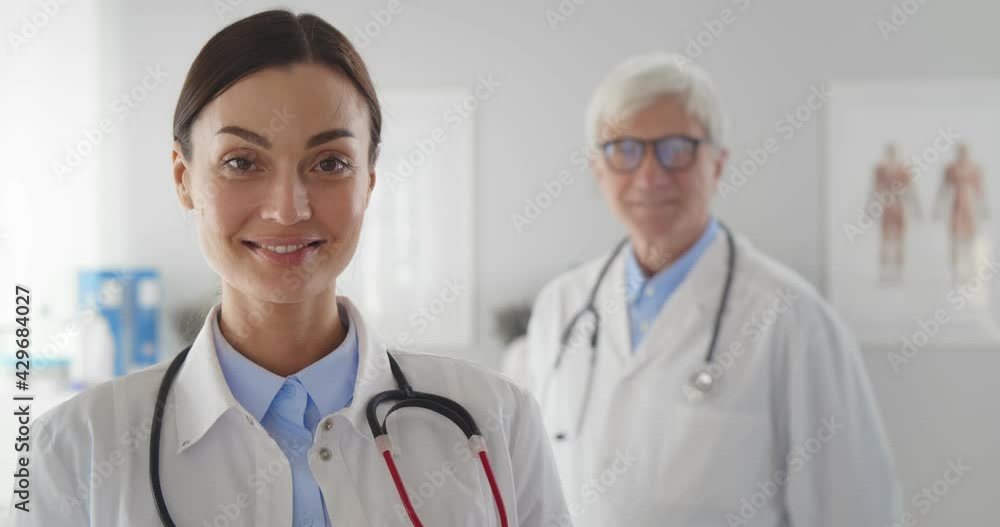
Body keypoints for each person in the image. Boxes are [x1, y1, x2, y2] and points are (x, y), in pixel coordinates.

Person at [9, 10, 567, 526]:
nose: (287, 207)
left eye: (330, 163)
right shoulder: (70, 450)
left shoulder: (496, 419)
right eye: (241, 162)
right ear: (183, 178)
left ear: (368, 183)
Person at [516, 52, 902, 526]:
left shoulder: (794, 321)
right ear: (599, 170)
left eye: (676, 148)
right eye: (624, 149)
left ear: (717, 163)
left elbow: (853, 510)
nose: (649, 175)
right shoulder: (561, 307)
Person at [872, 142, 922, 285]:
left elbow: (911, 190)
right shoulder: (881, 169)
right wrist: (870, 207)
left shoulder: (903, 170)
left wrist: (916, 208)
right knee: (886, 240)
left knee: (899, 241)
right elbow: (874, 188)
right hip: (887, 208)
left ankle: (898, 272)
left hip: (899, 208)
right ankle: (885, 272)